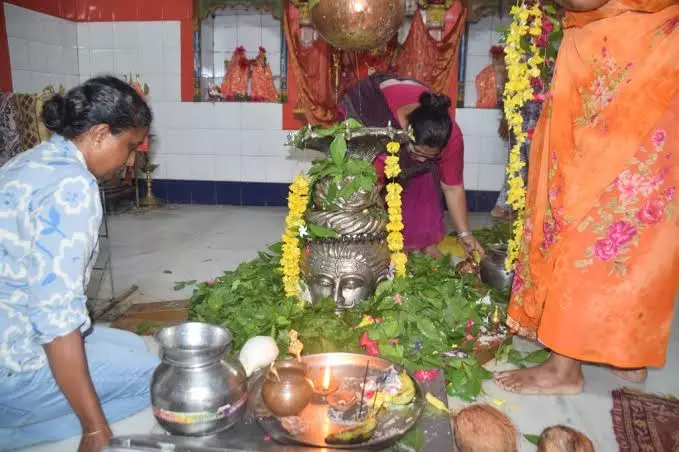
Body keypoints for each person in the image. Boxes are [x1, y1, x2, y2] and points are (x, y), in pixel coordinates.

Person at [495, 0, 679, 394]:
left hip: (628, 63)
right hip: (653, 50)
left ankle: (565, 371)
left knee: (584, 207)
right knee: (637, 225)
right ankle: (623, 353)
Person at [0, 76, 158, 451]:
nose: (131, 160)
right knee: (157, 378)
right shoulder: (74, 188)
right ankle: (20, 433)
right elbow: (56, 323)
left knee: (137, 348)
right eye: (131, 146)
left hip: (12, 329)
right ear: (101, 133)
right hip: (13, 365)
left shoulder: (34, 158)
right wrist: (93, 427)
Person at [340, 73, 484, 259]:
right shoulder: (379, 131)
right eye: (418, 153)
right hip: (370, 107)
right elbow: (371, 188)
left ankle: (421, 242)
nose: (422, 159)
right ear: (407, 133)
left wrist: (465, 234)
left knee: (425, 173)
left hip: (414, 116)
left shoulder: (450, 135)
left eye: (430, 155)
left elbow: (452, 187)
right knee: (367, 195)